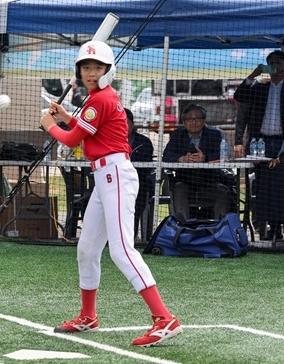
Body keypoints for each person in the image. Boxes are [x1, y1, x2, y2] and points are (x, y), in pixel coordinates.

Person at [39, 40, 182, 347]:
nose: (91, 73)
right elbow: (89, 130)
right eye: (86, 67)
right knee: (87, 249)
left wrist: (50, 124)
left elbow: (71, 140)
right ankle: (88, 316)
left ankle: (164, 318)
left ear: (108, 71)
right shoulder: (99, 99)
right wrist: (64, 115)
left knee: (121, 250)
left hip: (115, 174)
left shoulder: (98, 100)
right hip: (105, 177)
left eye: (98, 68)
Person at [233, 50, 284, 240]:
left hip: (281, 144)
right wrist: (254, 74)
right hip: (260, 144)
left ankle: (278, 224)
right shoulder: (261, 88)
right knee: (262, 187)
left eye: (279, 62)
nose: (275, 65)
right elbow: (239, 95)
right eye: (271, 62)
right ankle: (268, 226)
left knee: (279, 185)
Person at [162, 104, 231, 220]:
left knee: (223, 192)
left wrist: (205, 158)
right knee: (178, 189)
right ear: (184, 122)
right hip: (185, 182)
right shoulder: (178, 135)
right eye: (189, 119)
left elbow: (224, 156)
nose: (193, 122)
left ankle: (220, 229)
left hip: (209, 182)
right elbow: (166, 156)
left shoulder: (215, 135)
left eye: (197, 119)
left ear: (204, 121)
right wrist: (181, 159)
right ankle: (183, 228)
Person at [126, 108, 154, 240]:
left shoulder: (144, 142)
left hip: (138, 183)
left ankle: (131, 236)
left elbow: (146, 168)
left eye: (125, 123)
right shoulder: (108, 141)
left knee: (138, 197)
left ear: (132, 124)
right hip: (114, 183)